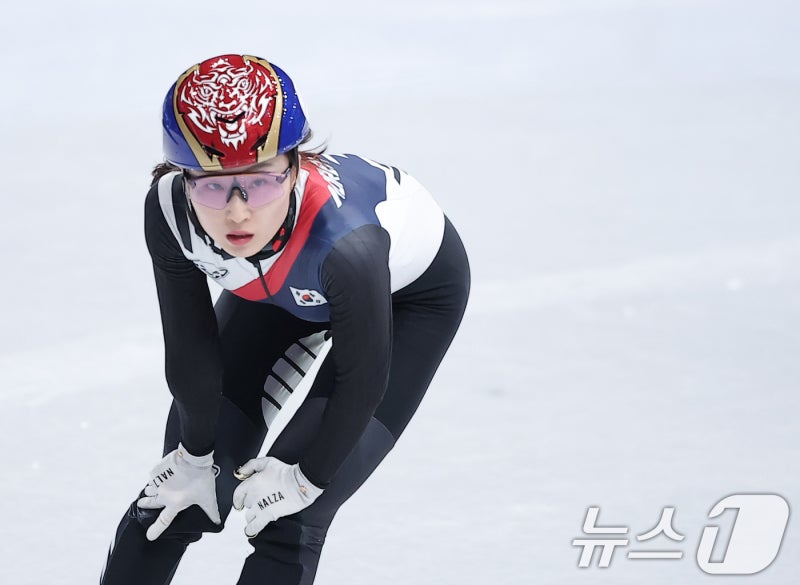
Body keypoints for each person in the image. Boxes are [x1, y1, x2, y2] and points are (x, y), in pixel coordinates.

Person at [99, 53, 470, 585]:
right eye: (211, 185)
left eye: (262, 182)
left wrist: (308, 478)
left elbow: (364, 379)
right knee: (177, 499)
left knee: (290, 521)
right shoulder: (167, 209)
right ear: (180, 178)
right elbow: (189, 347)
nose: (238, 212)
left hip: (405, 299)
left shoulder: (348, 244)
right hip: (278, 289)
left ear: (296, 166)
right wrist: (194, 456)